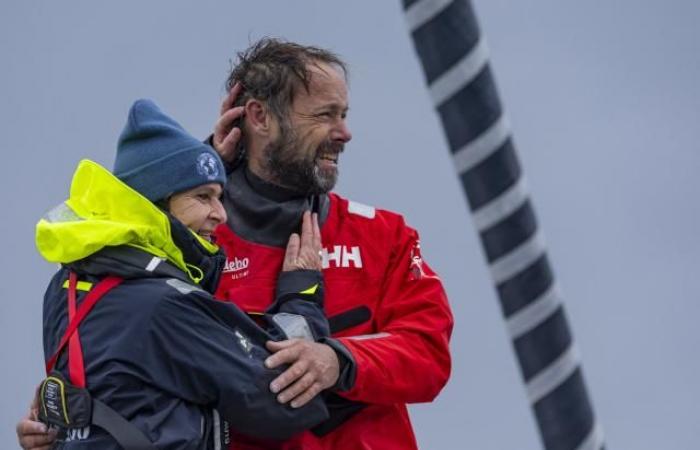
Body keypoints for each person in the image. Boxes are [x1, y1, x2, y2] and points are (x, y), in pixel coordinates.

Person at [19, 38, 454, 450]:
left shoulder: (384, 235)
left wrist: (336, 361)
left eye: (344, 114)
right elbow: (116, 344)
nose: (344, 133)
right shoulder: (186, 243)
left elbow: (429, 355)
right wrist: (68, 419)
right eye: (324, 115)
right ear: (259, 117)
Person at [31, 99, 333, 449]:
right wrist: (302, 298)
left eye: (220, 197)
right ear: (154, 204)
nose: (221, 214)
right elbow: (283, 402)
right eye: (203, 197)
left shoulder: (66, 285)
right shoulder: (164, 305)